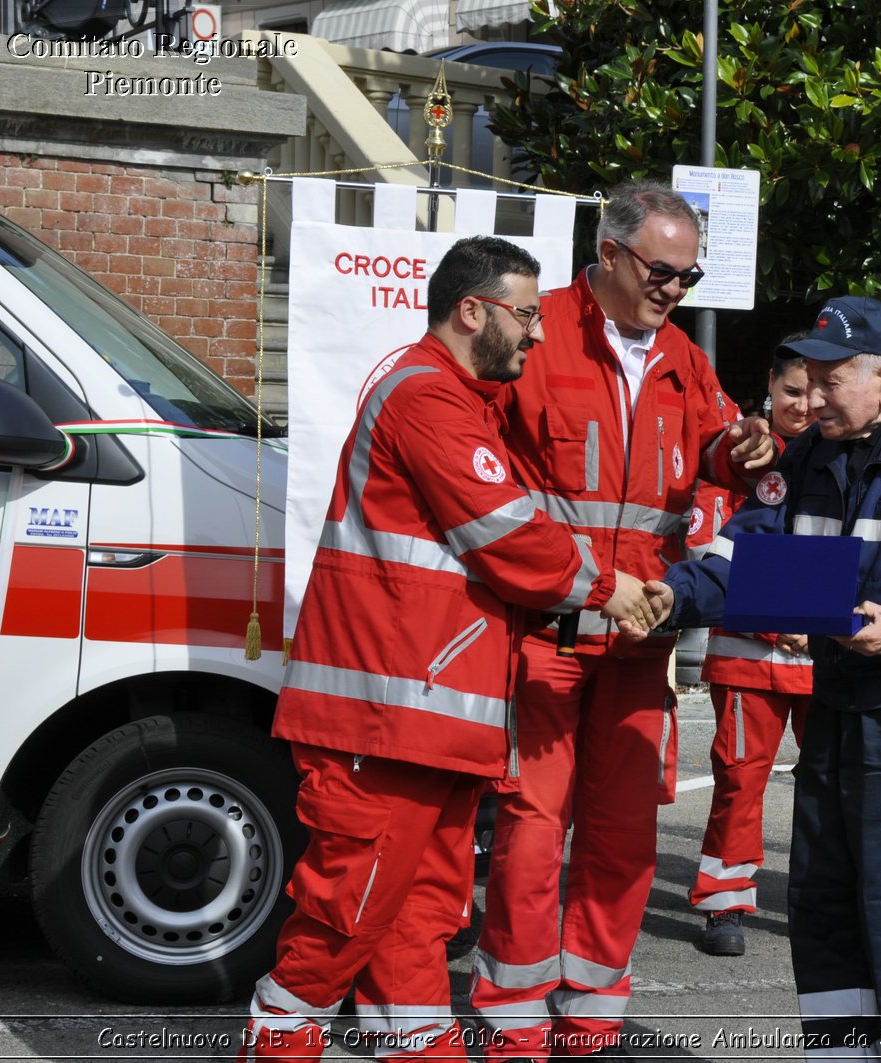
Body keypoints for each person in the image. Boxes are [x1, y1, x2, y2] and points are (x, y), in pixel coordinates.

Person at [240, 236, 654, 1062]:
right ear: (474, 310)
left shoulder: (456, 401)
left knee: (419, 911)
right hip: (384, 716)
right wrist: (610, 587)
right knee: (349, 911)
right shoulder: (426, 399)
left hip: (424, 718)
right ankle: (277, 1044)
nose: (538, 335)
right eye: (527, 316)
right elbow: (507, 538)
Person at [636, 295, 881, 1059]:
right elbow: (748, 552)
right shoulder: (815, 450)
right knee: (822, 907)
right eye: (807, 379)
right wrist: (673, 595)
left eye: (829, 381)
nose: (810, 397)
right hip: (835, 714)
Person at [470, 181, 778, 1061]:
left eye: (687, 275)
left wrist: (742, 446)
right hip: (544, 632)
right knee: (532, 828)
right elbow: (480, 464)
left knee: (624, 832)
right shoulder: (539, 334)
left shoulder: (683, 356)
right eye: (661, 270)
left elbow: (713, 449)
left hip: (643, 637)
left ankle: (591, 1016)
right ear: (608, 255)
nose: (673, 289)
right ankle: (514, 1018)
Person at [685, 346, 816, 957]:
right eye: (793, 390)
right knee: (739, 780)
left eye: (819, 390)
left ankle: (820, 899)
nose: (806, 403)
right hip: (747, 652)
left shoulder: (847, 459)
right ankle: (724, 902)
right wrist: (781, 613)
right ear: (770, 387)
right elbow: (726, 550)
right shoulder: (744, 455)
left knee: (829, 784)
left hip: (823, 657)